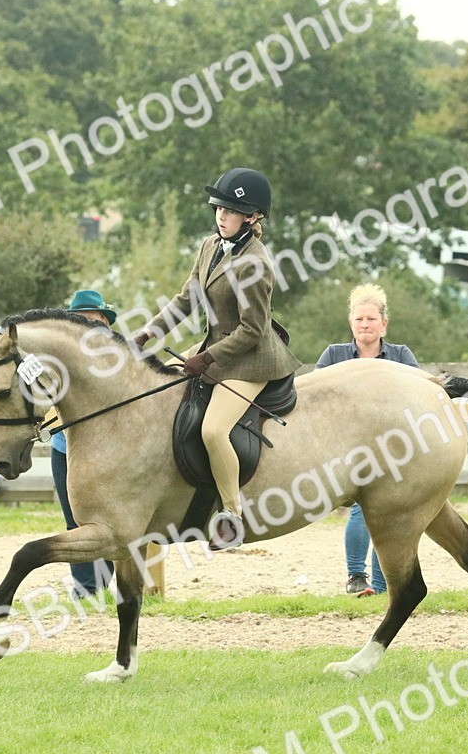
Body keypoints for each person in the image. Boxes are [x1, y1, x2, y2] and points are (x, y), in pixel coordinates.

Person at [131, 168, 301, 550]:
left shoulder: (255, 264)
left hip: (252, 359)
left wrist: (205, 358)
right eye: (218, 208)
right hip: (215, 347)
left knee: (213, 430)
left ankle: (231, 516)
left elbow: (253, 330)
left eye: (230, 210)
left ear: (252, 217)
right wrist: (147, 334)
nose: (220, 216)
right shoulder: (210, 245)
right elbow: (185, 298)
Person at [316, 283, 420, 597]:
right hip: (347, 448)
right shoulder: (334, 355)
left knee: (386, 512)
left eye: (371, 319)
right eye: (359, 318)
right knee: (363, 507)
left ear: (383, 324)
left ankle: (378, 583)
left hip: (393, 447)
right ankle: (357, 578)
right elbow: (316, 399)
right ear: (351, 322)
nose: (365, 324)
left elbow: (418, 395)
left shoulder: (401, 355)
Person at [50, 289, 118, 595]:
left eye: (92, 319)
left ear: (104, 320)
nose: (87, 326)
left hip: (109, 450)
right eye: (79, 320)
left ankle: (102, 583)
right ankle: (86, 588)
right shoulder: (59, 357)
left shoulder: (118, 356)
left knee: (110, 519)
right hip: (65, 448)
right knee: (74, 519)